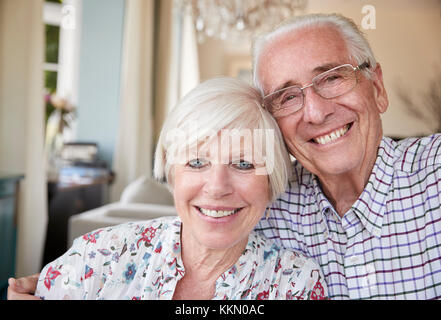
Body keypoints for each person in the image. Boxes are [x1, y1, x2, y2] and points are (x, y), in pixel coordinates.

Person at [17, 77, 327, 300]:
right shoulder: (99, 255)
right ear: (172, 172)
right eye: (196, 162)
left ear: (271, 181)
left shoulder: (294, 284)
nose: (217, 187)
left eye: (243, 164)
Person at [252, 13, 441, 299]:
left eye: (331, 78)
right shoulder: (263, 208)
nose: (316, 113)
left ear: (377, 88)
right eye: (288, 97)